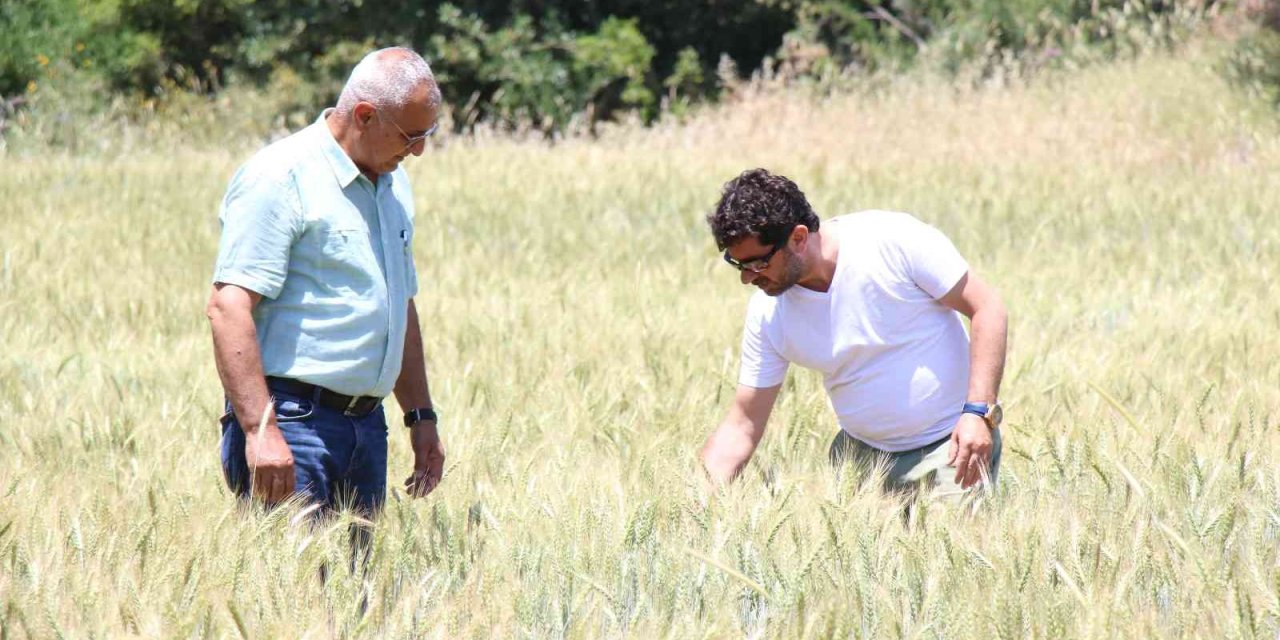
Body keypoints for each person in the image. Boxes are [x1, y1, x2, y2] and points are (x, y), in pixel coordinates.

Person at [206, 47, 446, 518]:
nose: (418, 150)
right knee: (287, 588)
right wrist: (259, 429)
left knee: (355, 590)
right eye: (410, 135)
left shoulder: (393, 185)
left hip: (367, 427)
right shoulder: (279, 176)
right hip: (293, 425)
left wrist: (420, 415)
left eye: (427, 134)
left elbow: (399, 306)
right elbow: (227, 307)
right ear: (364, 115)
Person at [699, 169, 1008, 500]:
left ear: (799, 238)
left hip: (952, 448)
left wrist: (979, 414)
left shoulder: (892, 241)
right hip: (859, 467)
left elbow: (987, 308)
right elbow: (743, 425)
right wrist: (692, 504)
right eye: (738, 264)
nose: (747, 278)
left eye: (757, 264)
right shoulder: (768, 314)